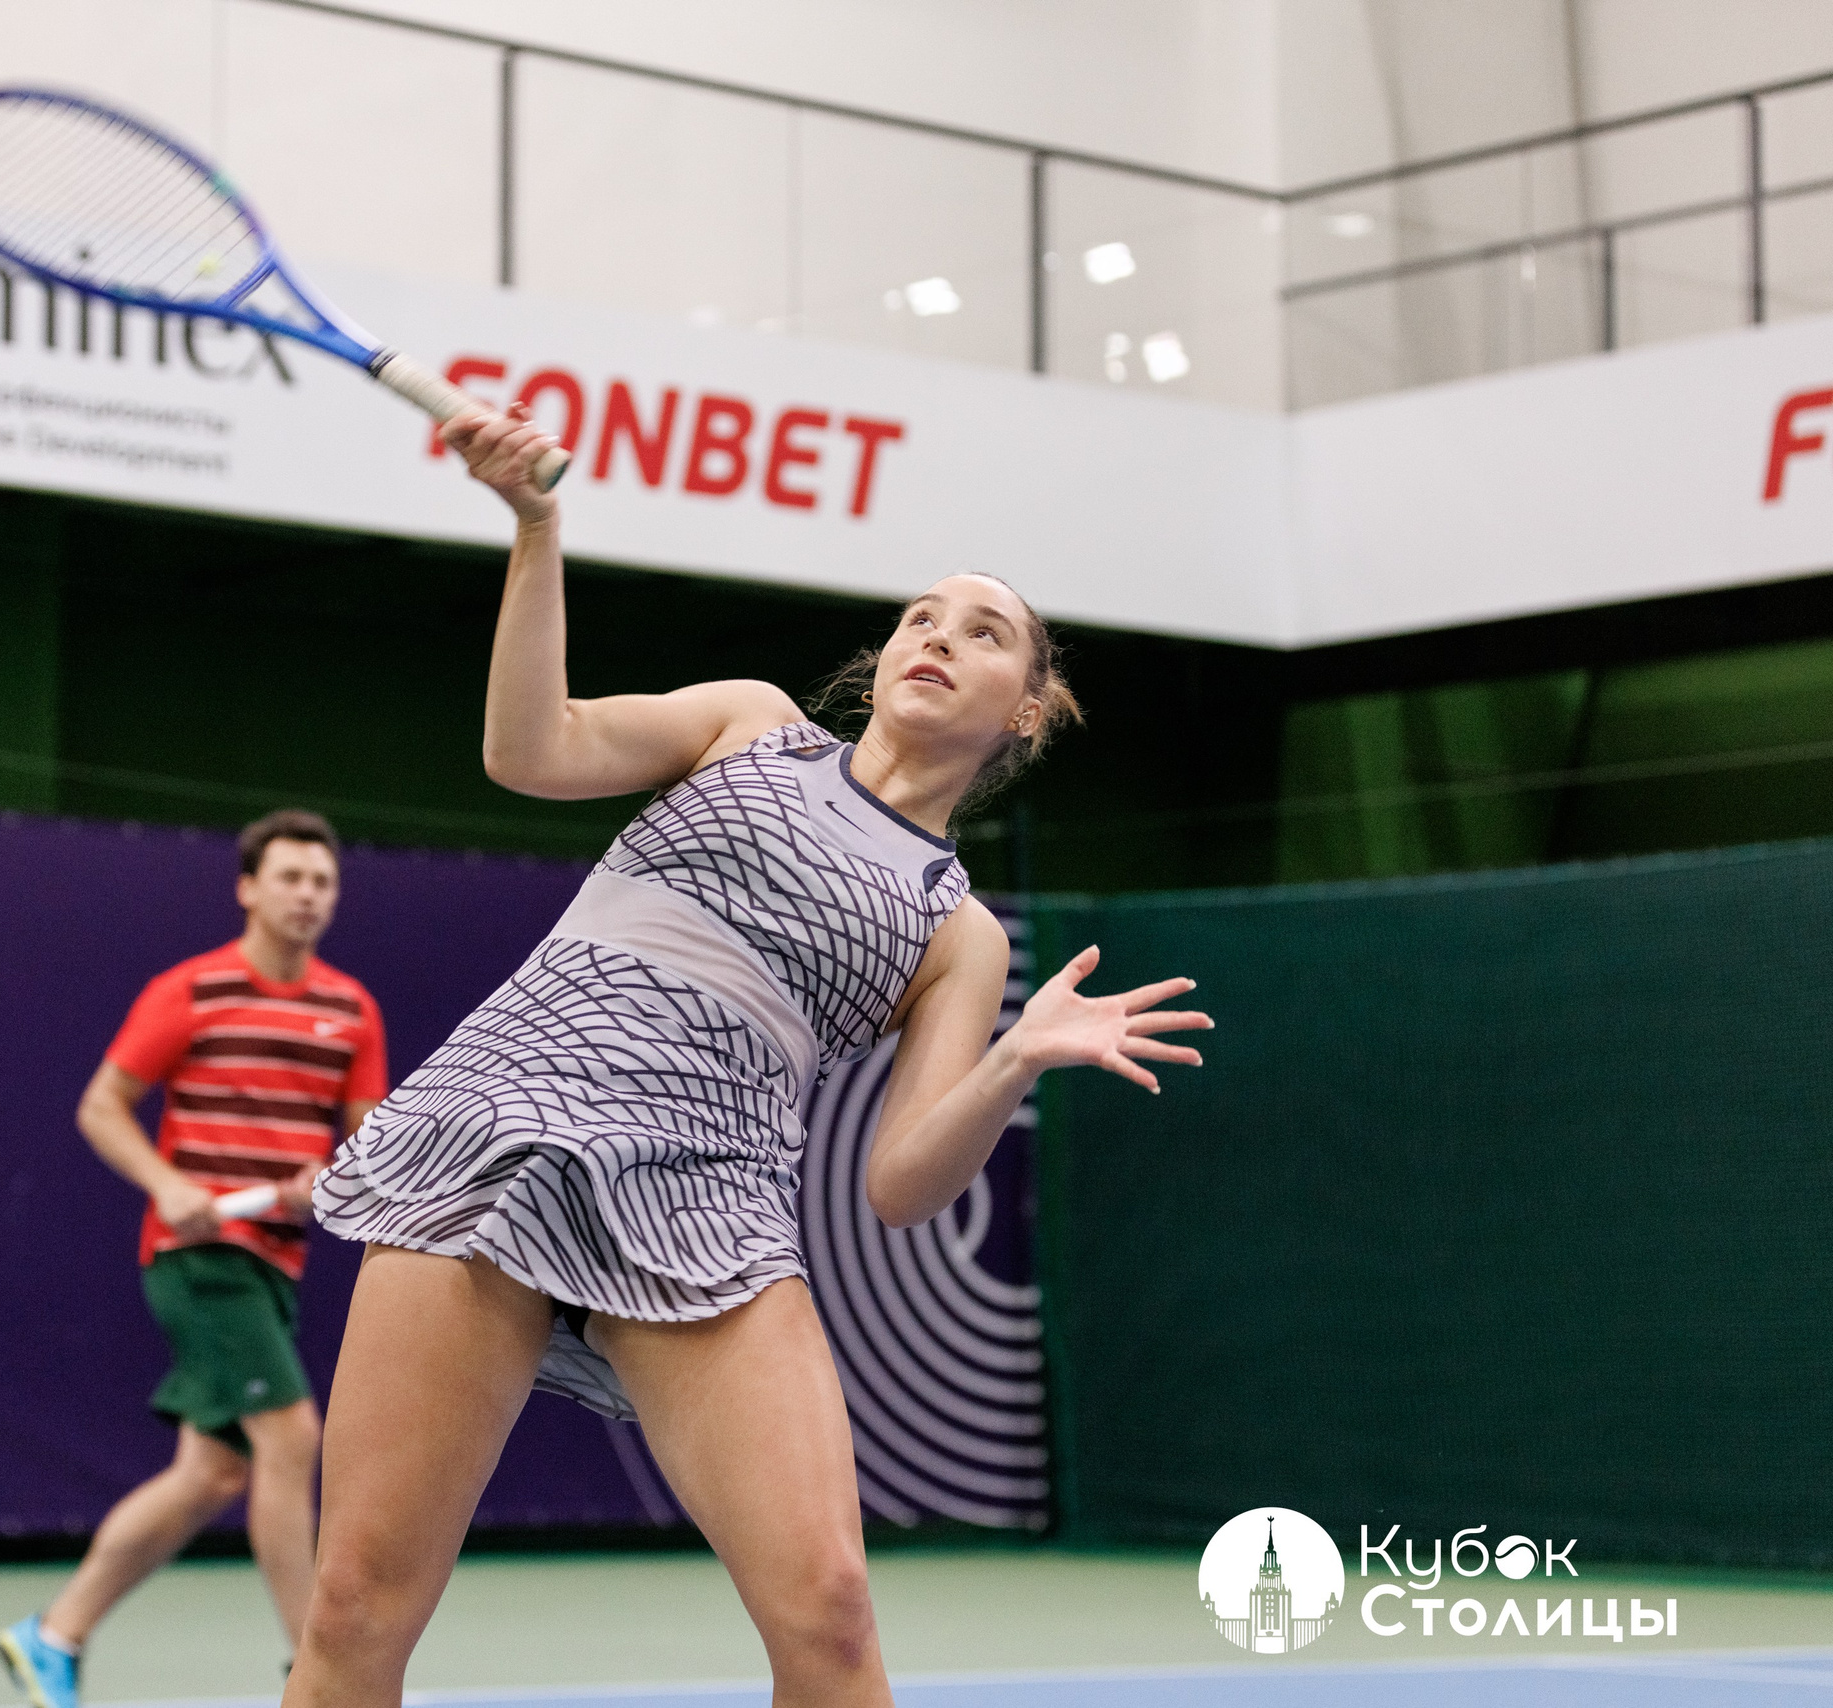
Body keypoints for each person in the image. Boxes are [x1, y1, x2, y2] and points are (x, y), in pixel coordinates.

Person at [282, 408, 1213, 1708]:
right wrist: (538, 528)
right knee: (357, 1605)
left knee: (830, 1620)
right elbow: (528, 748)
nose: (939, 636)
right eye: (922, 616)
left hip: (710, 1206)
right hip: (497, 1131)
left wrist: (1011, 1067)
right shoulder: (748, 727)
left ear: (1026, 716)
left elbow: (897, 1184)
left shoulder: (957, 931)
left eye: (983, 632)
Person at [0, 809, 388, 1708]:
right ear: (249, 889)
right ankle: (317, 1671)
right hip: (197, 1256)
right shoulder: (192, 990)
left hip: (275, 1262)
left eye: (322, 882)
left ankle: (52, 1636)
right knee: (292, 1437)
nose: (307, 895)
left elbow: (365, 1147)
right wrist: (167, 1184)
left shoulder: (351, 1009)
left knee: (211, 1473)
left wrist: (324, 1182)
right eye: (289, 878)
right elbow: (102, 1106)